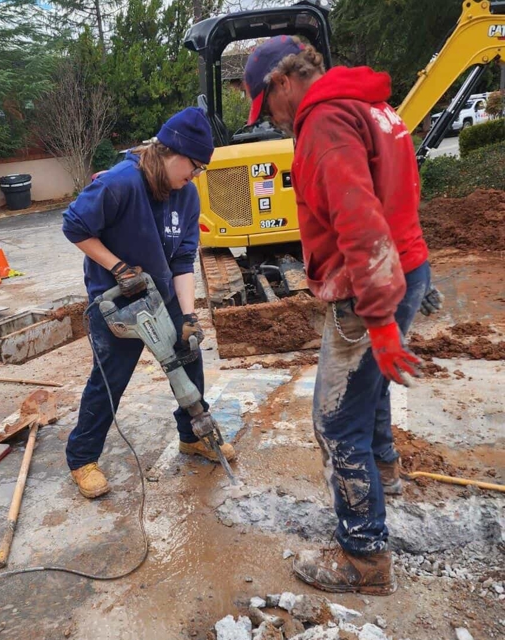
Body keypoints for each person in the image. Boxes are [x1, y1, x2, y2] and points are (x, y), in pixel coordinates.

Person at [243, 36, 442, 594]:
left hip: (367, 286)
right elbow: (396, 194)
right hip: (404, 267)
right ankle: (384, 470)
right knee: (368, 391)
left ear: (283, 82)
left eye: (268, 105)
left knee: (335, 422)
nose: (273, 121)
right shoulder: (371, 106)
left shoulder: (325, 124)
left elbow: (360, 222)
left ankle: (363, 557)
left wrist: (378, 321)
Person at [62, 107, 236, 499]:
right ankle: (82, 457)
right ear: (171, 152)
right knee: (111, 379)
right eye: (193, 166)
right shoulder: (120, 183)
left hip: (164, 293)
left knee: (189, 358)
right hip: (117, 299)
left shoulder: (187, 195)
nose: (194, 176)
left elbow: (182, 258)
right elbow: (74, 226)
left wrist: (188, 315)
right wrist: (118, 267)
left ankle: (192, 437)